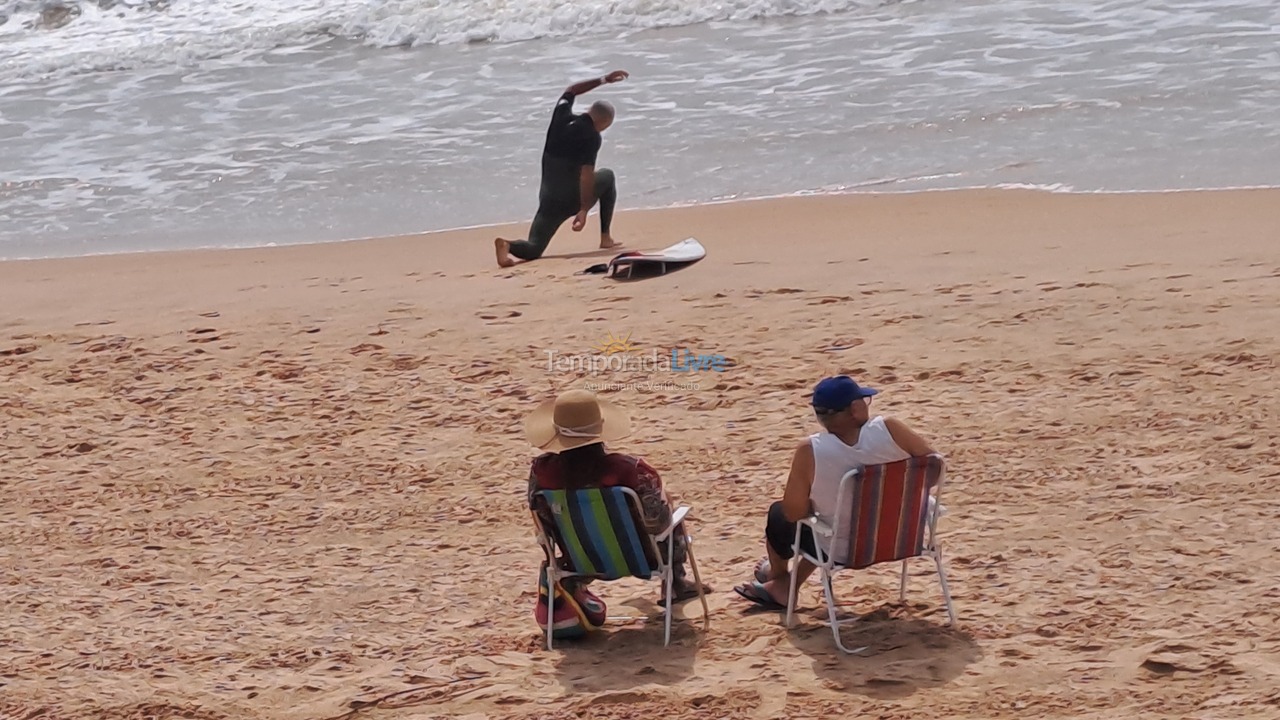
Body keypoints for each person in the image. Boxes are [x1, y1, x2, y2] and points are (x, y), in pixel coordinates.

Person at [733, 376, 937, 609]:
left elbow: (794, 513)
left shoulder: (811, 450)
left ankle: (781, 582)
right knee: (840, 519)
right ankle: (784, 584)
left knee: (781, 515)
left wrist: (815, 504)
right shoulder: (890, 429)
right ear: (855, 408)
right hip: (904, 536)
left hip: (842, 551)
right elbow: (935, 466)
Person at [525, 389, 707, 606]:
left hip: (578, 562)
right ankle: (676, 584)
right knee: (673, 518)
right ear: (600, 430)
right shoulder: (631, 470)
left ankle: (572, 589)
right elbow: (659, 523)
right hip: (643, 559)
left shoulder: (542, 472)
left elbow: (542, 522)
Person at [495, 70, 630, 268]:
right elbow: (586, 176)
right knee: (607, 176)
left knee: (534, 248)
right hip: (570, 199)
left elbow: (571, 90)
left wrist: (603, 80)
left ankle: (508, 245)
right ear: (604, 123)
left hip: (548, 199)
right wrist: (583, 210)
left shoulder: (561, 115)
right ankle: (605, 237)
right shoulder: (592, 137)